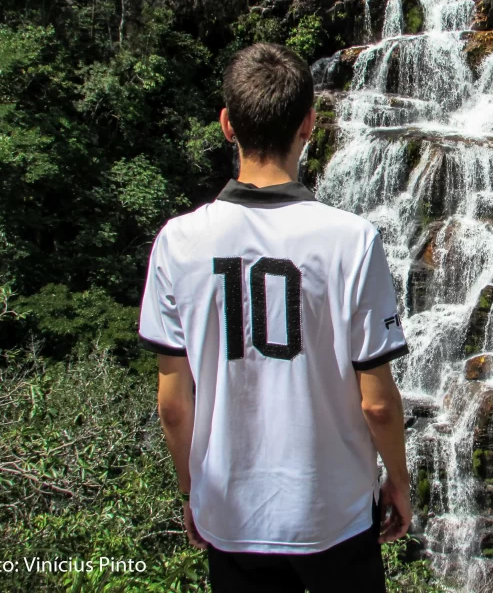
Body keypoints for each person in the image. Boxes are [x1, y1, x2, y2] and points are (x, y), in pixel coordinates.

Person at [138, 43, 412, 592]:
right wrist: (398, 484)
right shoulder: (351, 240)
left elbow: (174, 406)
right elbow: (377, 403)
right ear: (309, 124)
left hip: (231, 515)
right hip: (334, 514)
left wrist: (192, 490)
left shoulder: (178, 241)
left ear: (226, 125)